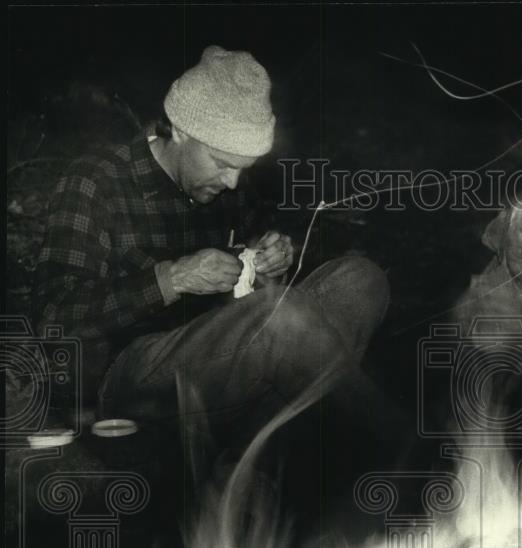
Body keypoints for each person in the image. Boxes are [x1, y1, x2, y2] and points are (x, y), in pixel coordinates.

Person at [33, 46, 389, 446]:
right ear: (181, 131)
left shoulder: (230, 191)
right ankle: (396, 450)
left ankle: (266, 438)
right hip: (128, 376)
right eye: (222, 162)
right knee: (284, 317)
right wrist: (171, 279)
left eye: (244, 168)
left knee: (361, 280)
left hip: (222, 361)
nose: (233, 182)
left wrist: (268, 263)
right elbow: (54, 317)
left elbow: (247, 300)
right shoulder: (96, 181)